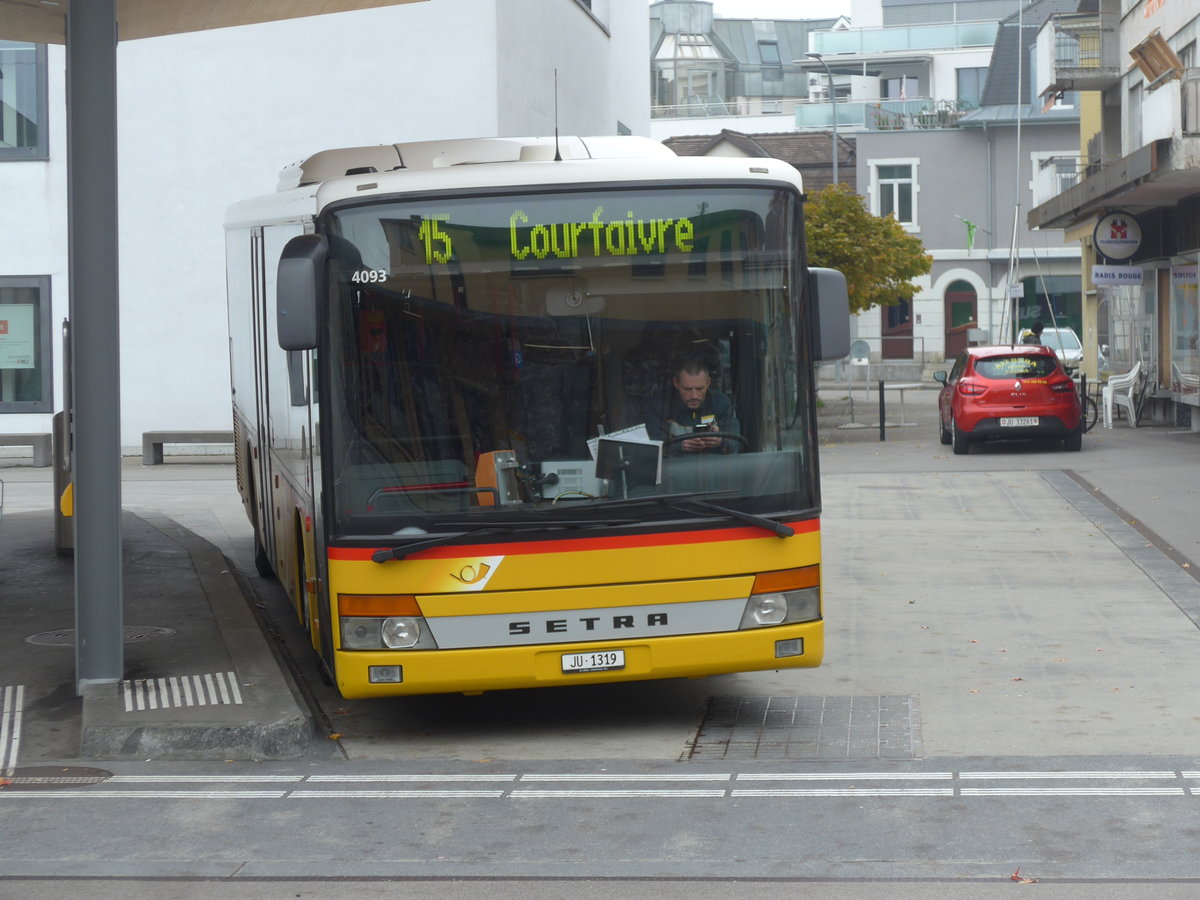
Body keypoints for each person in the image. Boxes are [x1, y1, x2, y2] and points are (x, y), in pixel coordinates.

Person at [645, 355, 741, 455]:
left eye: (700, 389)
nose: (694, 396)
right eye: (687, 389)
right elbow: (652, 448)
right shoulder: (659, 406)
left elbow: (736, 443)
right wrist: (680, 446)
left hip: (717, 463)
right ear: (676, 383)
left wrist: (720, 442)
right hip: (675, 463)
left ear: (708, 383)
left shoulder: (721, 403)